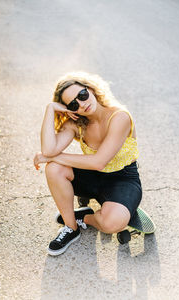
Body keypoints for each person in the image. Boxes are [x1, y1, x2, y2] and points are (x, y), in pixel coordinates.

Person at [33, 71, 142, 256]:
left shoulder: (119, 116)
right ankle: (71, 227)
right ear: (70, 109)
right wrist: (50, 109)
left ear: (90, 88)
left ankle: (85, 217)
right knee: (54, 169)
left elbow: (99, 162)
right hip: (92, 177)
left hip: (122, 179)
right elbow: (49, 150)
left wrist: (52, 157)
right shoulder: (77, 123)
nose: (82, 104)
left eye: (82, 95)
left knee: (112, 223)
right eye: (74, 104)